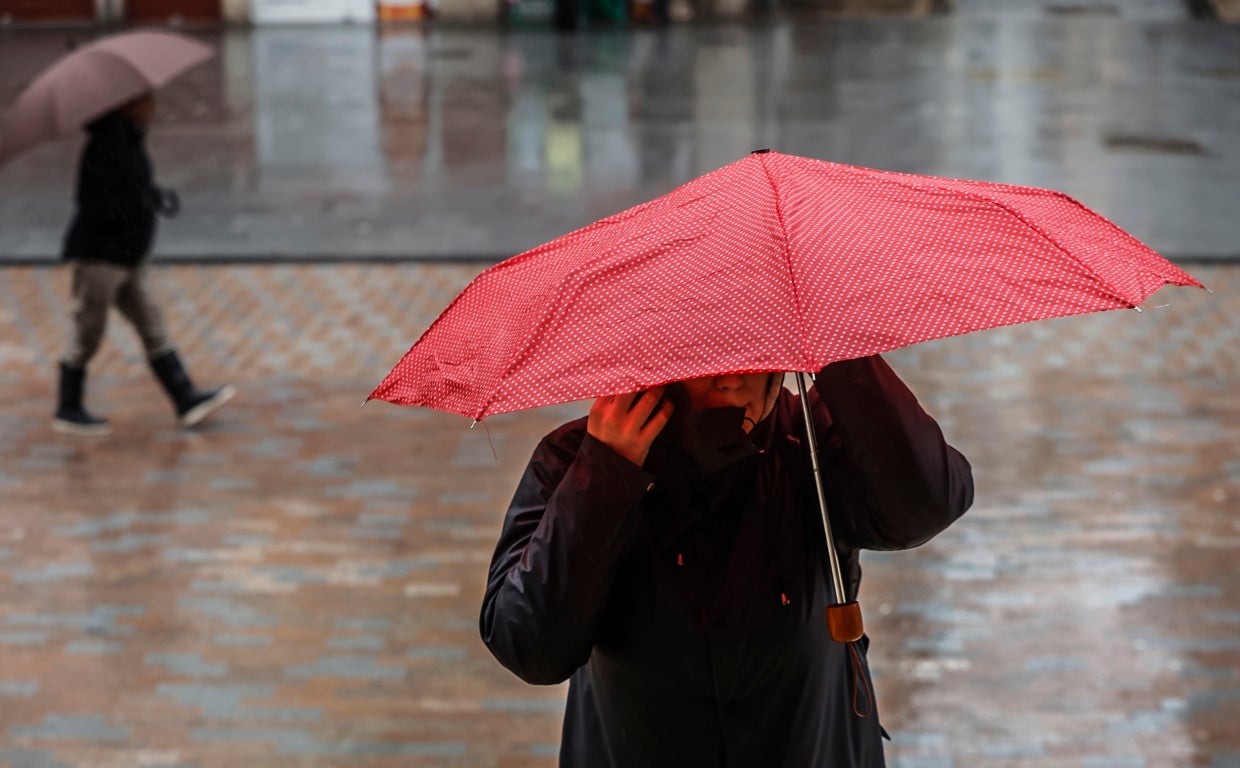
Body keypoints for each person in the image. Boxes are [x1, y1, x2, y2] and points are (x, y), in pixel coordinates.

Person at [481, 355, 974, 766]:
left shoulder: (813, 440)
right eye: (704, 356)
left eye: (755, 349)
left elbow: (927, 503)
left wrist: (840, 358)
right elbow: (529, 643)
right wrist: (605, 471)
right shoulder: (576, 457)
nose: (732, 375)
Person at [53, 92, 234, 436]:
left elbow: (133, 188)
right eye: (147, 101)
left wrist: (149, 196)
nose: (153, 108)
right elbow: (95, 202)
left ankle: (185, 397)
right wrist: (136, 205)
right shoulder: (104, 146)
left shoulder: (129, 140)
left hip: (129, 257)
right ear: (127, 104)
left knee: (153, 323)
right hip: (101, 258)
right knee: (87, 332)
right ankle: (68, 406)